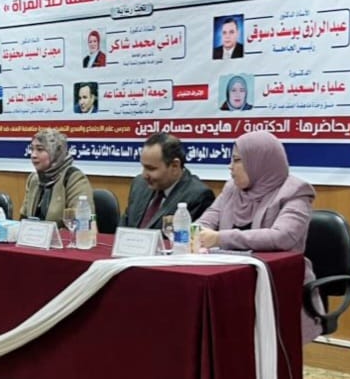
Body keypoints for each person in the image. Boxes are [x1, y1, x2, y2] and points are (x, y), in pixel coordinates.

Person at [196, 130, 322, 343]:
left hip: (277, 284)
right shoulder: (232, 189)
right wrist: (196, 232)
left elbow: (282, 236)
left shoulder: (295, 192)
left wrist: (220, 238)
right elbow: (205, 222)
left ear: (259, 162)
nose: (230, 167)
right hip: (233, 280)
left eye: (237, 160)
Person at [120, 133, 215, 229]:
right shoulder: (139, 184)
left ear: (175, 166)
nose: (144, 175)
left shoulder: (198, 196)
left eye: (151, 169)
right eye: (143, 167)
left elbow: (189, 236)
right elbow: (123, 228)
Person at [20, 128, 93, 226]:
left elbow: (83, 224)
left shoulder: (73, 178)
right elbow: (23, 219)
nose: (33, 155)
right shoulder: (34, 179)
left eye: (40, 149)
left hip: (64, 235)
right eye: (32, 149)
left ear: (56, 152)